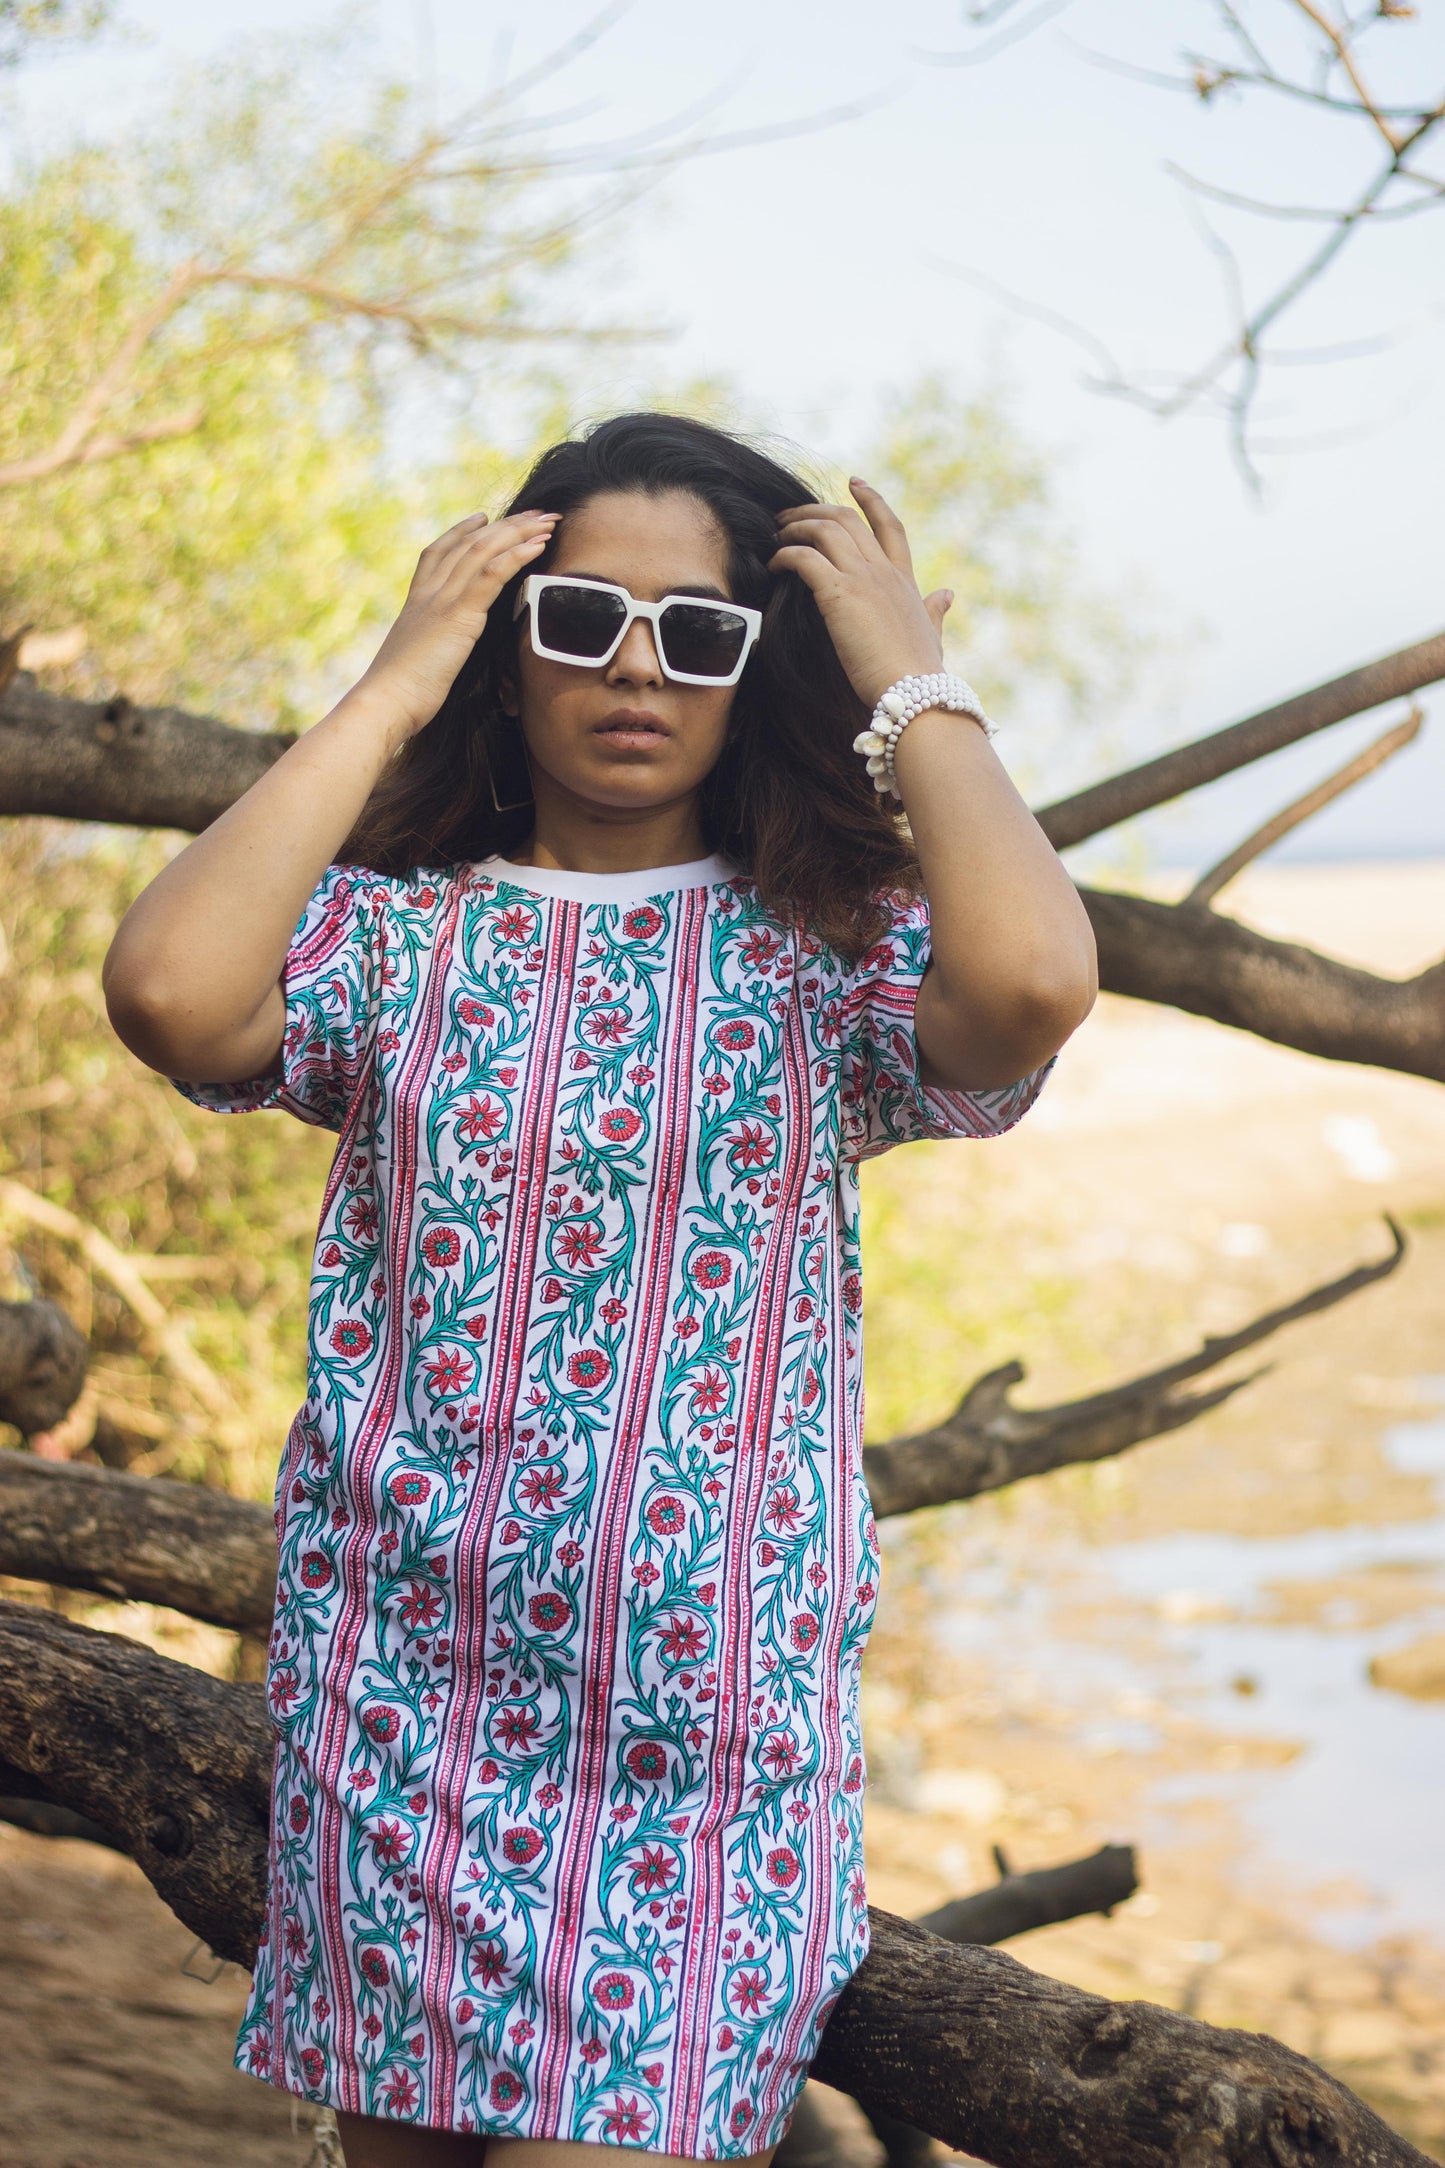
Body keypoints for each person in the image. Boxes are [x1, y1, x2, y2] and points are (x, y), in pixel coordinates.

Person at [104, 412, 1096, 2168]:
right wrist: (392, 683)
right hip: (400, 1706)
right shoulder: (396, 939)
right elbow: (175, 991)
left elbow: (1028, 978)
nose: (635, 670)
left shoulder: (823, 957)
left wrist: (909, 685)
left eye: (699, 635)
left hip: (699, 1746)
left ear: (749, 675)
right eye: (576, 621)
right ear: (511, 655)